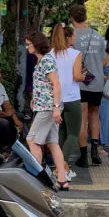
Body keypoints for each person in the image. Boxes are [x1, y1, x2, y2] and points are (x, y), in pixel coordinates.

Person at [25, 32, 70, 190]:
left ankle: (37, 179)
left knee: (32, 140)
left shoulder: (46, 61)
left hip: (47, 108)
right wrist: (36, 98)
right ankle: (62, 179)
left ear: (36, 45)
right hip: (46, 106)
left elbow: (56, 84)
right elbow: (46, 84)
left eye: (29, 44)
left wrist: (56, 107)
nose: (27, 47)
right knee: (52, 143)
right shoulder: (44, 60)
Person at [70, 4, 105, 167]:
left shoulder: (71, 37)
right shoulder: (97, 36)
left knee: (82, 118)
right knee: (94, 115)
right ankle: (95, 151)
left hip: (80, 81)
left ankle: (83, 156)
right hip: (97, 81)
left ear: (72, 18)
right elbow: (104, 60)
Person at [51, 24, 84, 167]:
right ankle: (62, 166)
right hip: (72, 97)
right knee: (73, 133)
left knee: (61, 133)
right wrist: (84, 76)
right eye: (74, 36)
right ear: (68, 38)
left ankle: (57, 164)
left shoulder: (50, 54)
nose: (75, 38)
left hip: (56, 99)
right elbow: (76, 76)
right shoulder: (75, 54)